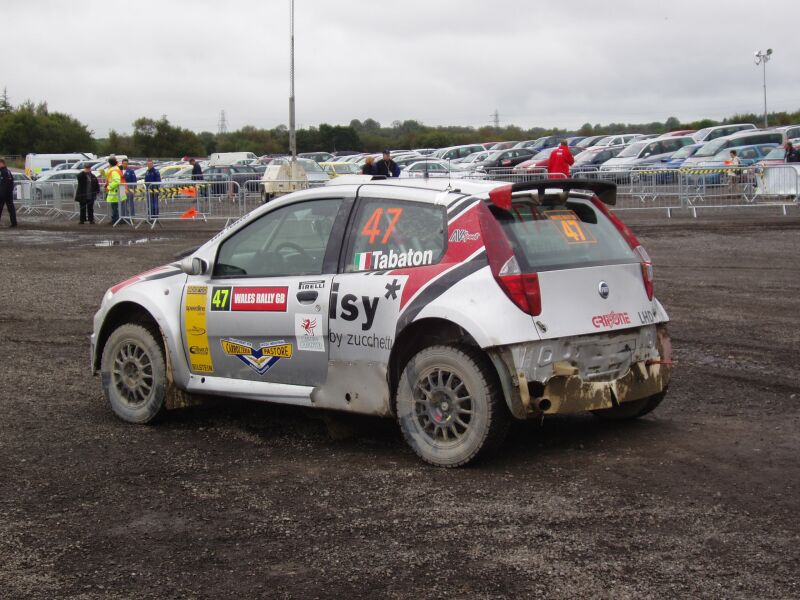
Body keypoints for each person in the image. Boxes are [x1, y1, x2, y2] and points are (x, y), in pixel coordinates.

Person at [105, 157, 123, 224]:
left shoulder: (114, 170)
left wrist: (109, 187)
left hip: (115, 191)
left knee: (115, 206)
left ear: (110, 163)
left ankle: (115, 220)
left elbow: (116, 181)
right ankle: (116, 219)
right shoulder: (115, 169)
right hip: (117, 190)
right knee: (115, 206)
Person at [0, 158, 17, 228]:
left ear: (2, 163)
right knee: (11, 209)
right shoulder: (8, 171)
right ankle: (14, 223)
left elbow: (2, 184)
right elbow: (12, 182)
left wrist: (2, 193)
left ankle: (14, 223)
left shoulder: (2, 172)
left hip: (3, 194)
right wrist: (10, 191)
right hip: (9, 193)